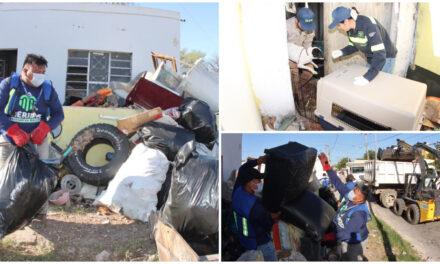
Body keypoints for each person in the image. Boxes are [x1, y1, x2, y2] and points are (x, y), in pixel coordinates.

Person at [0, 54, 65, 226]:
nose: (40, 76)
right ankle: (8, 217)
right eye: (36, 72)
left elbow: (59, 113)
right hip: (10, 140)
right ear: (25, 69)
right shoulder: (9, 85)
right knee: (8, 179)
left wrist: (45, 128)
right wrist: (12, 130)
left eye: (43, 72)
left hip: (38, 141)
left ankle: (39, 211)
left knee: (40, 178)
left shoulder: (47, 88)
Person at [318, 153, 371, 261]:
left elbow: (346, 233)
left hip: (355, 243)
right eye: (354, 190)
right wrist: (327, 167)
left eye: (356, 193)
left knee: (352, 258)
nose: (352, 192)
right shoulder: (350, 196)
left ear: (360, 200)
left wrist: (330, 237)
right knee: (344, 256)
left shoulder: (359, 214)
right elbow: (337, 182)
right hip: (345, 238)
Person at [328, 6, 397, 86]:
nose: (339, 28)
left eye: (339, 25)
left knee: (380, 86)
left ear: (346, 21)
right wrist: (342, 52)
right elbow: (355, 46)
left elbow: (380, 55)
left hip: (385, 57)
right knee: (369, 85)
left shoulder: (369, 26)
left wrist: (368, 77)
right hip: (371, 57)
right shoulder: (349, 29)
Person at [232, 156, 280, 261]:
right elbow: (267, 224)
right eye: (258, 180)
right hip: (260, 243)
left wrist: (258, 162)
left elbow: (242, 170)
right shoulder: (255, 206)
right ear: (249, 184)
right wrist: (273, 216)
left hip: (244, 240)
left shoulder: (237, 191)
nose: (260, 182)